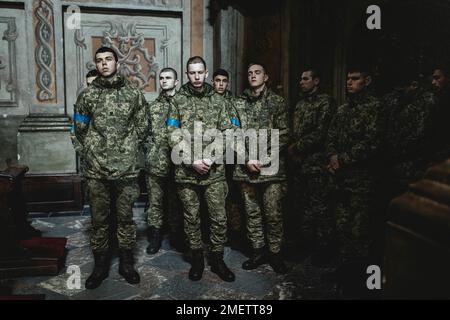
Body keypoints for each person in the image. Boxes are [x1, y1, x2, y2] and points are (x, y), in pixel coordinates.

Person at [72, 46, 149, 289]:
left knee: (125, 218)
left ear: (117, 62)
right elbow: (79, 129)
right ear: (96, 65)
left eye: (108, 59)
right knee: (99, 220)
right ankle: (100, 266)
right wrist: (90, 152)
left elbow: (143, 125)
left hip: (126, 170)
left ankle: (126, 264)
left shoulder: (133, 94)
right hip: (97, 170)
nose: (104, 64)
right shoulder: (87, 95)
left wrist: (128, 150)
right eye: (99, 60)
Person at [167, 56, 239, 282]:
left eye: (200, 72)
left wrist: (209, 157)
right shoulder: (177, 101)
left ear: (206, 73)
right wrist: (191, 160)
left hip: (214, 171)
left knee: (218, 217)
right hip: (187, 173)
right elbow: (172, 133)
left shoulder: (220, 101)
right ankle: (197, 258)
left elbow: (229, 132)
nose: (196, 77)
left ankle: (217, 259)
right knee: (192, 217)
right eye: (192, 73)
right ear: (187, 74)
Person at [326, 66, 383, 296]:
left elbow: (373, 142)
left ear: (367, 80)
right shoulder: (343, 109)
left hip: (362, 181)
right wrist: (331, 156)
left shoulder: (376, 108)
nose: (349, 82)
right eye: (348, 78)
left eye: (355, 79)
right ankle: (345, 272)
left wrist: (343, 159)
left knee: (360, 232)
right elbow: (330, 136)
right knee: (342, 229)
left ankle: (360, 282)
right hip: (340, 180)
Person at [233, 62, 289, 274]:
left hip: (271, 171)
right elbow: (234, 134)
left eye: (257, 72)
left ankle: (275, 254)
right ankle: (258, 251)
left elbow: (283, 133)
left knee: (273, 213)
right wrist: (247, 159)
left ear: (265, 77)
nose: (253, 76)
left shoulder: (277, 102)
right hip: (246, 170)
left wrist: (263, 159)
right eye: (249, 73)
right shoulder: (239, 103)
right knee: (252, 213)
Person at [288, 68, 335, 266]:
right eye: (300, 78)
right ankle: (305, 245)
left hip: (316, 164)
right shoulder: (300, 104)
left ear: (316, 81)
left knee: (320, 208)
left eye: (305, 79)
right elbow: (294, 130)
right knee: (302, 207)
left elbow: (321, 132)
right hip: (299, 165)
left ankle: (324, 249)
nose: (301, 82)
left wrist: (297, 147)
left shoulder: (325, 102)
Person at [145, 67, 182, 254]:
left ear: (176, 82)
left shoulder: (183, 104)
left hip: (179, 162)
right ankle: (155, 237)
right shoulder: (152, 107)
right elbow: (144, 133)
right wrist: (150, 151)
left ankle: (176, 236)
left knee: (177, 201)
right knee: (155, 201)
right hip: (155, 162)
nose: (164, 80)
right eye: (161, 78)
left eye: (168, 78)